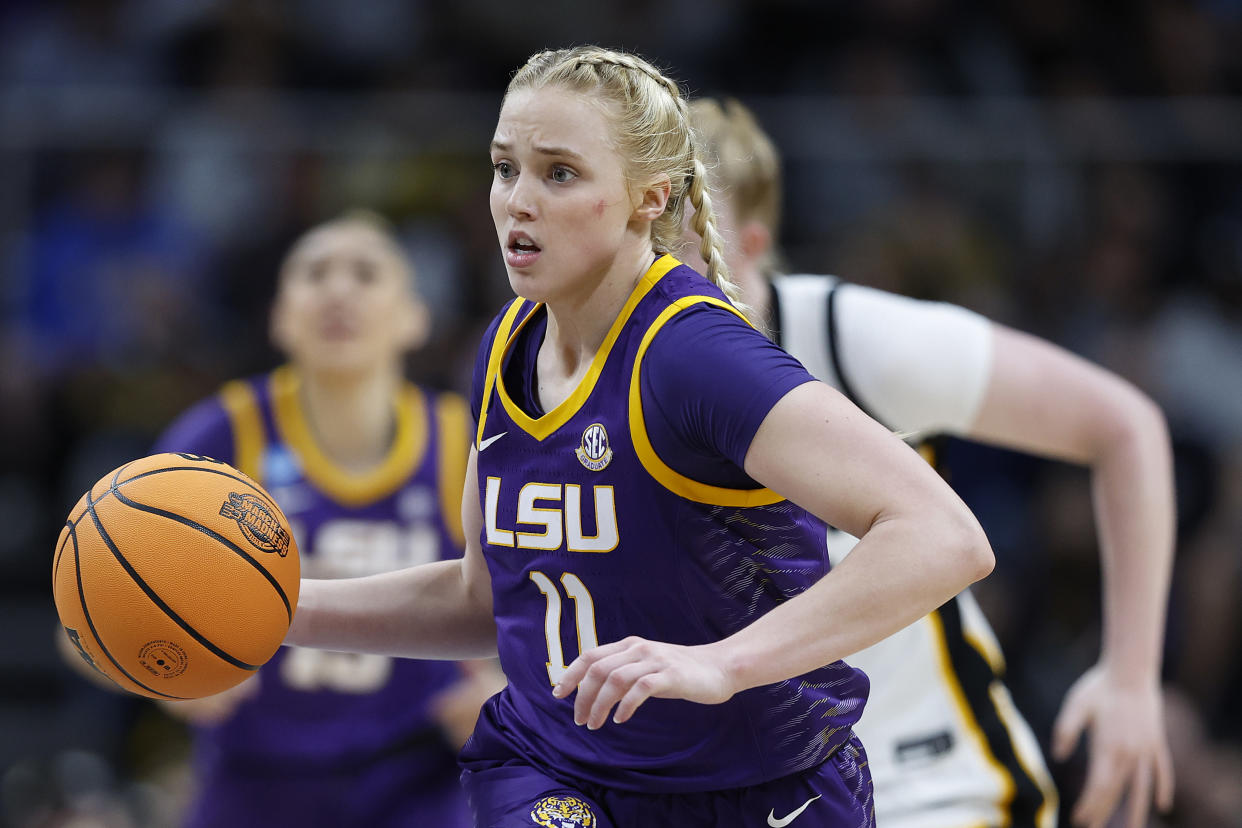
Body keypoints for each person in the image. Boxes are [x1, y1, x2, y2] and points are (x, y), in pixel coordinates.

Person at [285, 46, 995, 828]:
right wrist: (280, 609)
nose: (518, 200)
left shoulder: (694, 356)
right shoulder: (503, 344)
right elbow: (484, 599)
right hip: (554, 771)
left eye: (559, 173)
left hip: (755, 789)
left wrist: (721, 663)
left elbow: (946, 537)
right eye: (503, 168)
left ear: (647, 198)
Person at [682, 97, 1176, 828]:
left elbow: (1126, 424)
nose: (649, 254)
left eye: (676, 230)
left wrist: (1133, 676)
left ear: (749, 244)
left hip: (933, 786)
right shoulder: (612, 379)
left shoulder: (851, 337)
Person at [151, 212, 497, 827]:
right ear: (280, 316)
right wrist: (161, 673)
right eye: (314, 273)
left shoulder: (459, 444)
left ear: (415, 317)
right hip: (255, 779)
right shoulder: (220, 437)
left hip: (418, 776)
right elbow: (93, 616)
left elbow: (545, 600)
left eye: (366, 273)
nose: (339, 290)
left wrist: (506, 692)